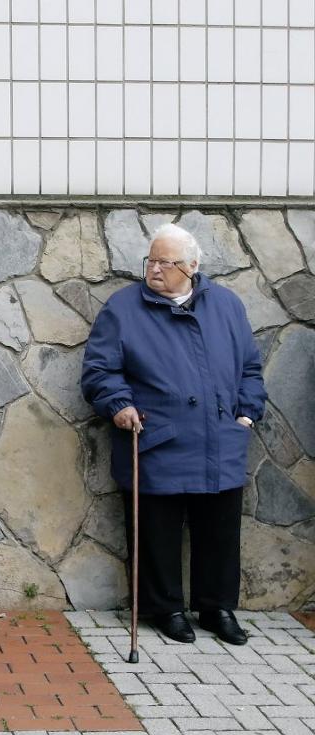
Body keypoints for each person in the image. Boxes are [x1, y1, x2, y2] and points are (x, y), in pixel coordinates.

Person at [81, 223, 266, 646]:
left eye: (167, 262)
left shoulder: (226, 305)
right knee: (157, 532)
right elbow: (99, 370)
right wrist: (118, 405)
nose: (155, 269)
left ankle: (217, 607)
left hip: (219, 438)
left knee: (219, 531)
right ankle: (166, 609)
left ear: (193, 266)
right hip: (154, 439)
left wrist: (246, 416)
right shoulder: (123, 309)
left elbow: (250, 370)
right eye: (151, 260)